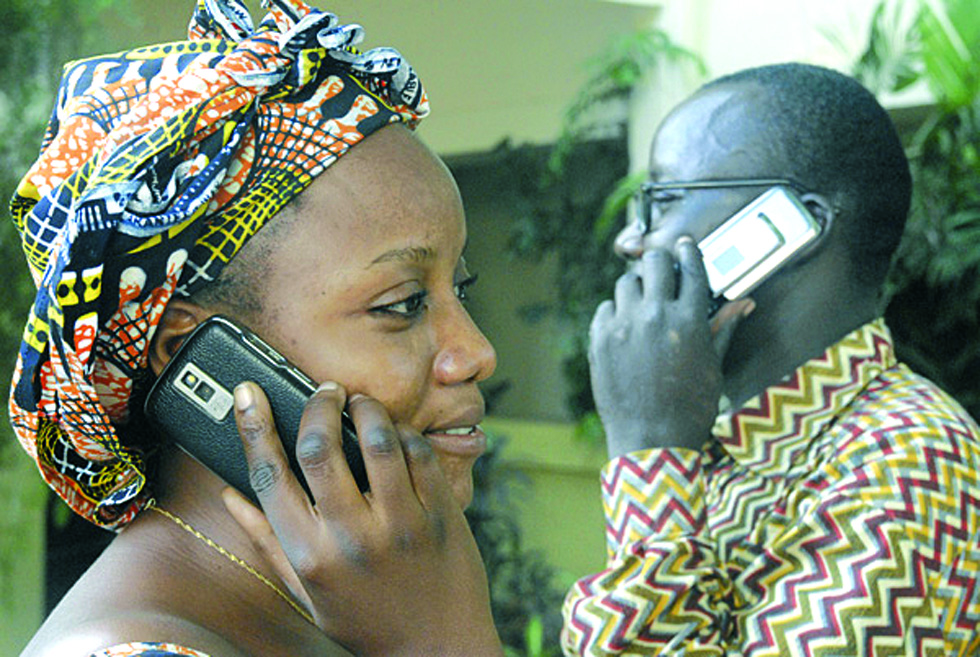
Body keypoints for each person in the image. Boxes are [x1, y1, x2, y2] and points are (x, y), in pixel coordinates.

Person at [12, 1, 503, 655]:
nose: (475, 353)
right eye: (403, 303)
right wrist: (443, 642)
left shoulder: (348, 609)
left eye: (459, 288)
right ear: (191, 354)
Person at [561, 63, 980, 655]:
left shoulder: (909, 460)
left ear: (794, 226)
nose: (630, 239)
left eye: (666, 198)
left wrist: (650, 453)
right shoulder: (719, 445)